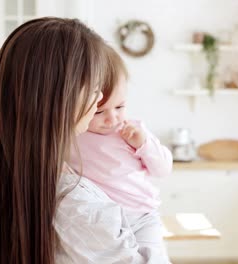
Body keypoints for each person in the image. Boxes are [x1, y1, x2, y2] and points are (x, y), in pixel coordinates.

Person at [0, 17, 170, 264]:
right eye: (94, 88)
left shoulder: (22, 181)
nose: (100, 97)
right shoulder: (79, 206)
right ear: (61, 97)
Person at [68, 46, 172, 261]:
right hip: (104, 222)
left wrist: (143, 144)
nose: (112, 119)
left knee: (154, 259)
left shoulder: (132, 131)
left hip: (142, 217)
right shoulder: (74, 134)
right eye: (99, 111)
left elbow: (163, 169)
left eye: (120, 106)